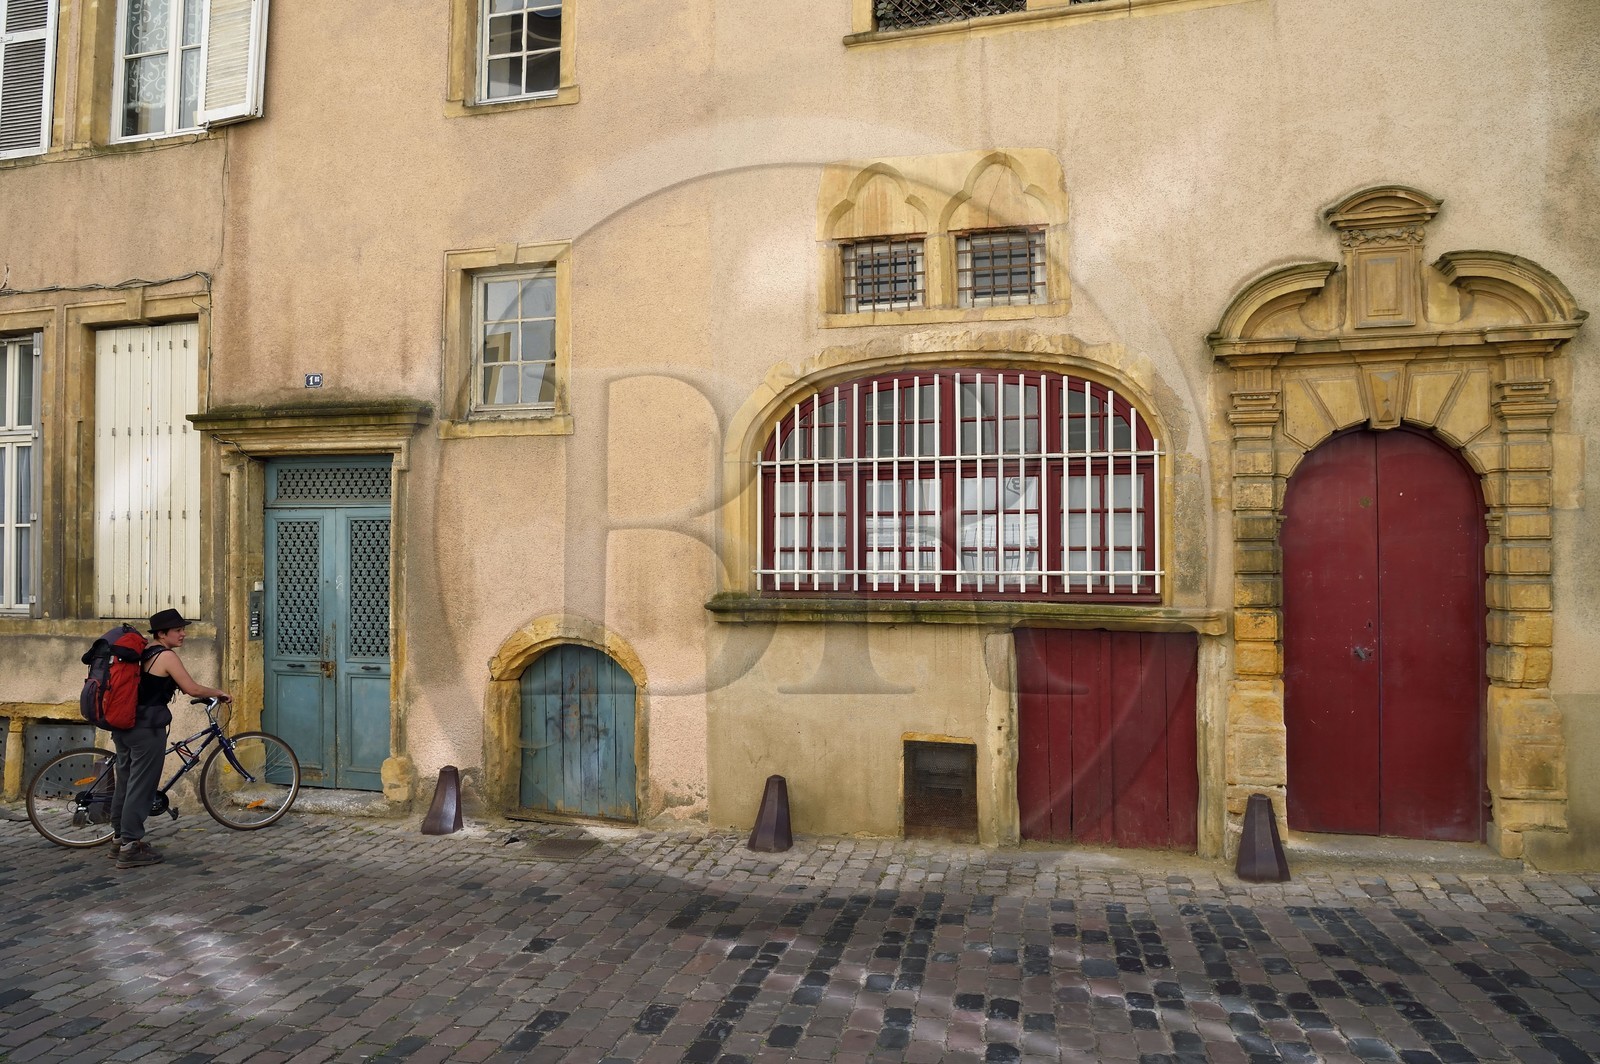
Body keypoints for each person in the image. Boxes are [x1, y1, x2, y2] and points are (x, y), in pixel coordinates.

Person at [108, 608, 230, 869]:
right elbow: (191, 688)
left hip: (125, 724)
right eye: (178, 630)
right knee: (141, 785)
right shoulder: (165, 656)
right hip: (147, 728)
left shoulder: (142, 654)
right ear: (162, 634)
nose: (183, 634)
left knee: (126, 781)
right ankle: (131, 846)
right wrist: (218, 692)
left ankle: (119, 838)